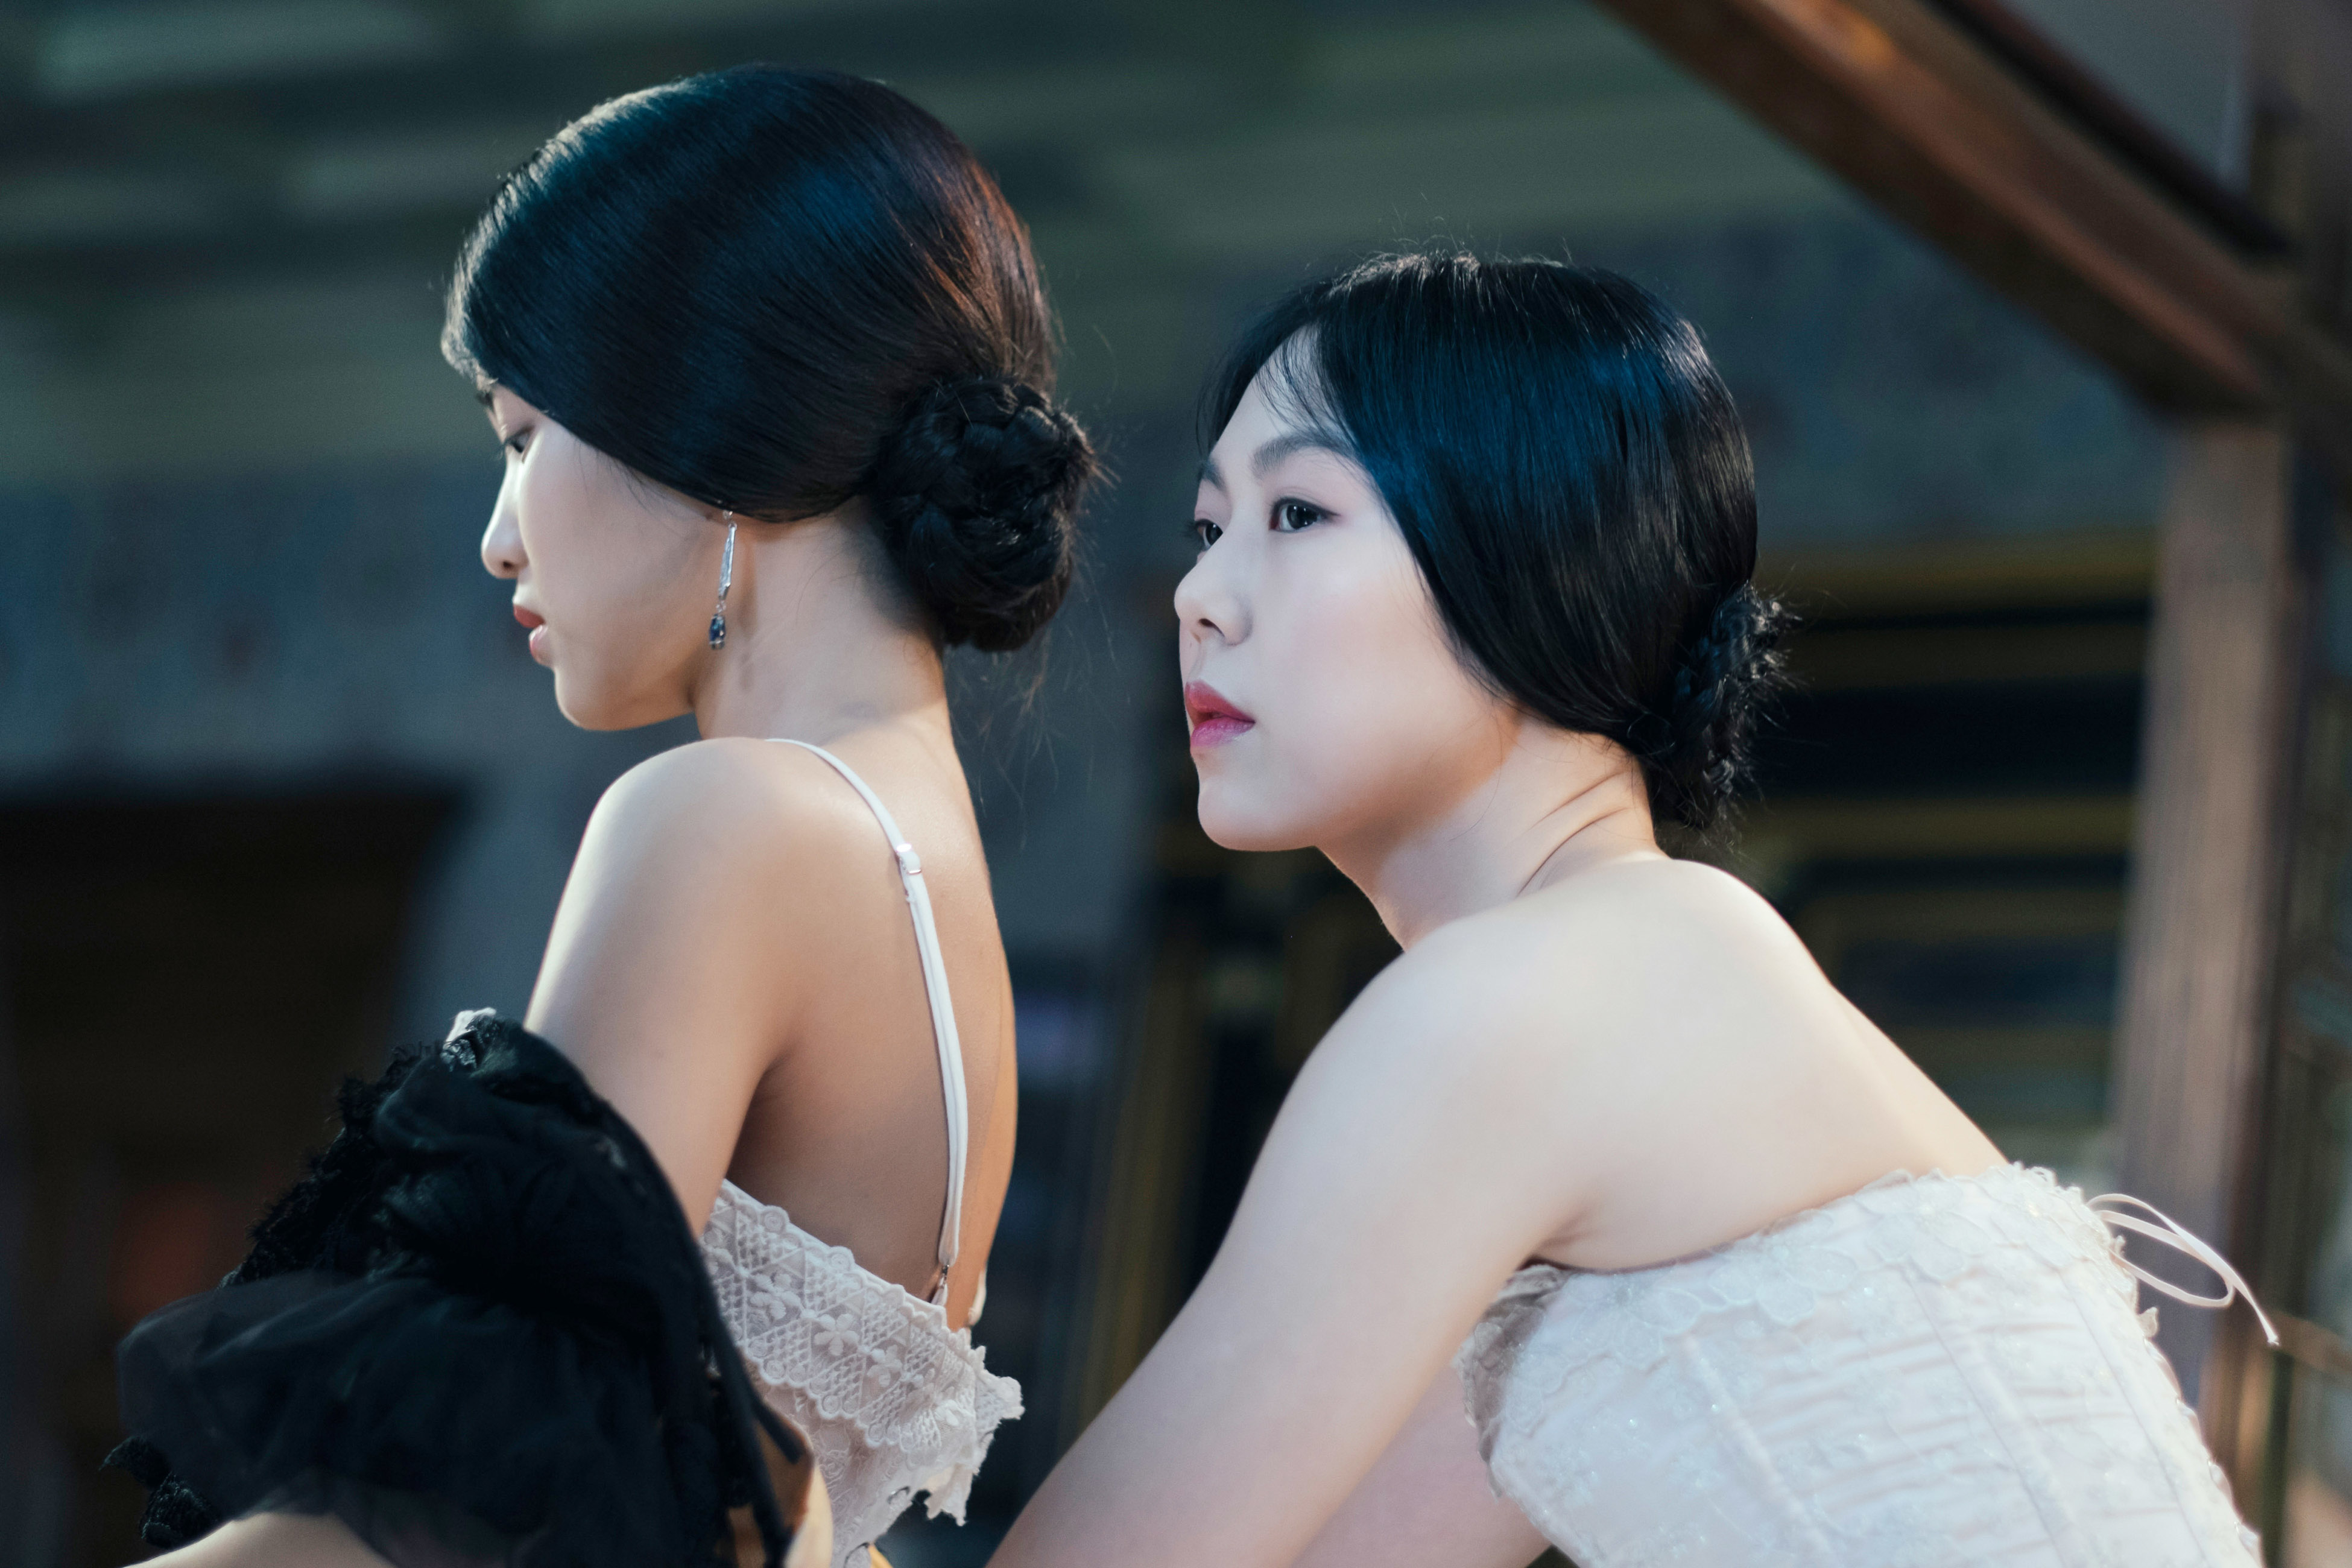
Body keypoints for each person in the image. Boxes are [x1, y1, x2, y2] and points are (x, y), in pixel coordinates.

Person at [991, 251, 2272, 1568]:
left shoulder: (1528, 1002)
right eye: (1210, 529)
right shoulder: (1632, 975)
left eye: (1299, 514)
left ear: (1533, 551)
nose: (1200, 596)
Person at [109, 65, 1093, 1568]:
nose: (498, 535)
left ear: (711, 422)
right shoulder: (914, 857)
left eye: (519, 435)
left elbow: (467, 1499)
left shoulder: (729, 819)